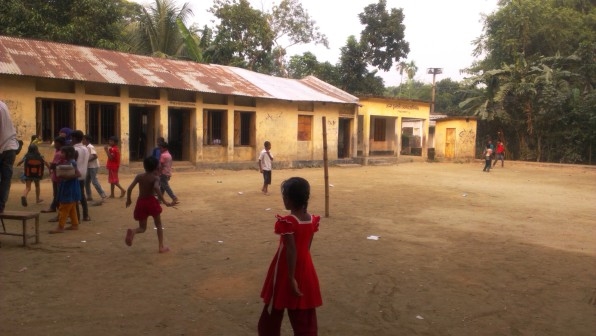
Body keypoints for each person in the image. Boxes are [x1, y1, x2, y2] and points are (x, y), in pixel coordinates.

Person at [258, 177, 322, 336]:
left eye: (285, 196)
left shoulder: (287, 222)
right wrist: (301, 267)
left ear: (290, 199)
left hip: (286, 269)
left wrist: (291, 276)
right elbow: (307, 247)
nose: (284, 199)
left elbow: (291, 250)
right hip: (306, 268)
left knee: (274, 310)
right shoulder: (312, 220)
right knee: (304, 312)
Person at [125, 156, 172, 253]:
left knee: (142, 228)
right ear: (155, 167)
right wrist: (164, 201)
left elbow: (129, 189)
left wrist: (128, 200)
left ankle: (133, 231)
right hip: (151, 202)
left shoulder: (139, 176)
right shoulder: (156, 178)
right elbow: (156, 188)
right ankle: (161, 247)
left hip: (141, 202)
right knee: (158, 225)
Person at [49, 145, 81, 233]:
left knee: (64, 207)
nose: (61, 154)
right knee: (71, 208)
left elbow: (78, 174)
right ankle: (75, 224)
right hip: (69, 186)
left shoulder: (72, 162)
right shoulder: (68, 162)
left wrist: (67, 176)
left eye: (63, 152)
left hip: (69, 187)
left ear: (68, 153)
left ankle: (60, 227)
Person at [0, 100, 20, 213]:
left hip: (4, 148)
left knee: (5, 179)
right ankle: (1, 205)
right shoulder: (3, 105)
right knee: (6, 179)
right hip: (10, 147)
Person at [42, 136, 67, 218]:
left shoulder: (59, 153)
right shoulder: (62, 151)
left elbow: (54, 165)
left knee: (57, 194)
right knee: (57, 194)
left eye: (55, 143)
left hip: (57, 175)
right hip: (60, 175)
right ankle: (54, 207)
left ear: (59, 143)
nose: (54, 144)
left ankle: (59, 211)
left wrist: (50, 166)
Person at [72, 130, 91, 221]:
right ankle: (86, 215)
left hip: (75, 175)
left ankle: (77, 217)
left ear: (74, 138)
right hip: (83, 173)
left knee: (75, 196)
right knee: (82, 195)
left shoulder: (74, 149)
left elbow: (72, 163)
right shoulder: (85, 148)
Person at [83, 134, 107, 202]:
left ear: (87, 140)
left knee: (94, 181)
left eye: (84, 139)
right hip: (89, 166)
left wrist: (87, 161)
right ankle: (89, 196)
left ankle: (103, 195)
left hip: (93, 166)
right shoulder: (86, 147)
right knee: (86, 181)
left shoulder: (90, 147)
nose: (82, 141)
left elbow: (95, 156)